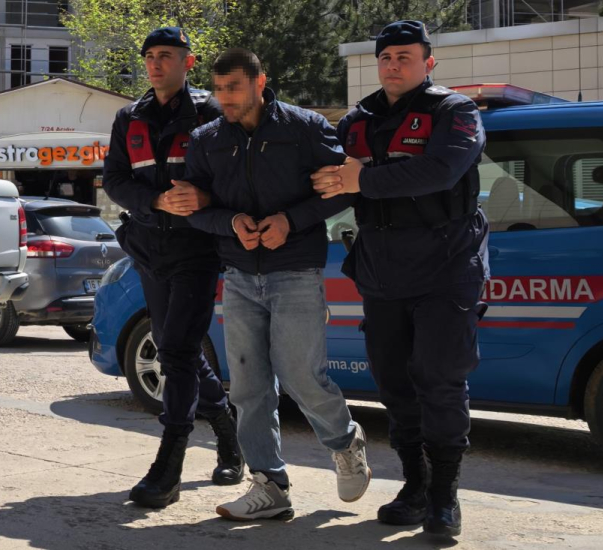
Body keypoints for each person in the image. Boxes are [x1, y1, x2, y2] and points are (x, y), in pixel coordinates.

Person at [311, 20, 489, 538]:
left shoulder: (455, 111)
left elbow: (441, 171)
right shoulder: (356, 120)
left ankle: (444, 497)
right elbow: (329, 182)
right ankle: (415, 485)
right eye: (386, 57)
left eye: (405, 57)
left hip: (446, 267)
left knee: (440, 378)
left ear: (428, 63)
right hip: (383, 269)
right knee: (393, 382)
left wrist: (362, 178)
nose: (393, 65)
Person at [181, 48, 371, 521]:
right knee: (248, 387)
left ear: (260, 83)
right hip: (239, 276)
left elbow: (340, 190)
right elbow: (195, 208)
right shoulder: (206, 139)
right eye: (218, 89)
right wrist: (231, 223)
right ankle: (269, 485)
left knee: (302, 376)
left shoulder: (304, 127)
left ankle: (345, 441)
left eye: (234, 88)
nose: (225, 98)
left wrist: (291, 220)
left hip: (296, 271)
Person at [102, 27, 244, 509]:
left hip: (196, 250)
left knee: (178, 351)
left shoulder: (211, 112)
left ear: (189, 61)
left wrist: (203, 196)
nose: (156, 63)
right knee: (173, 347)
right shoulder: (129, 117)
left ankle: (169, 466)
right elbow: (114, 180)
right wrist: (156, 201)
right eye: (149, 56)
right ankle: (227, 431)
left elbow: (235, 177)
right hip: (148, 249)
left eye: (166, 55)